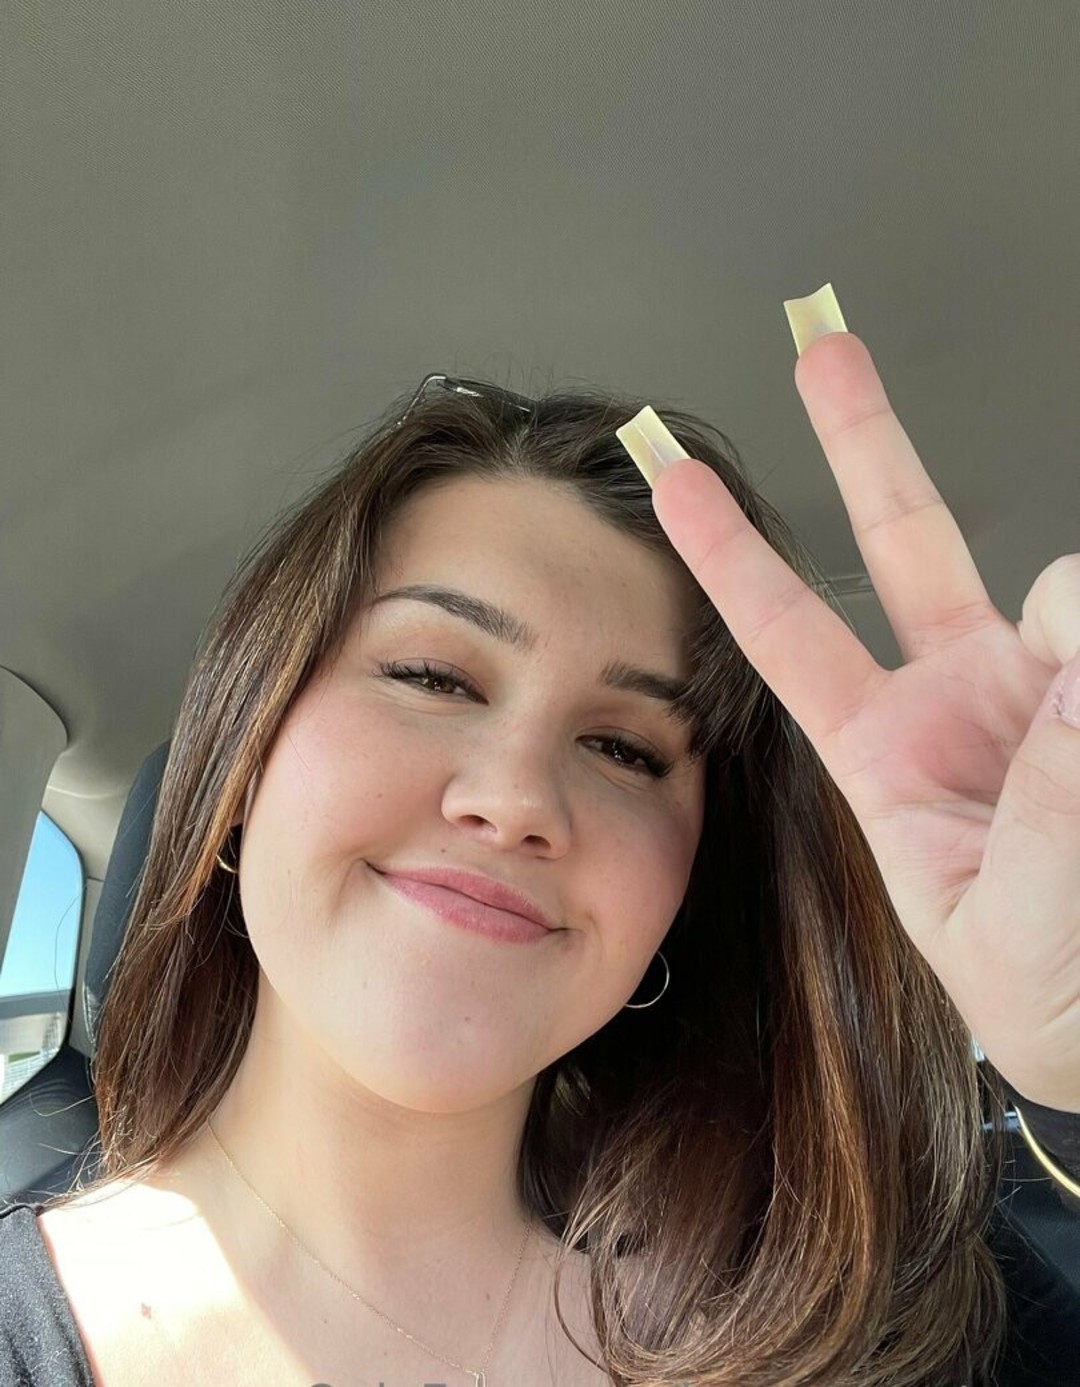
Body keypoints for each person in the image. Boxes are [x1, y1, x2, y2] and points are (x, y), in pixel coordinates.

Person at [2, 291, 1079, 1386]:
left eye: (625, 749)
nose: (517, 798)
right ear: (246, 747)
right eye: (433, 675)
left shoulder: (886, 1315)